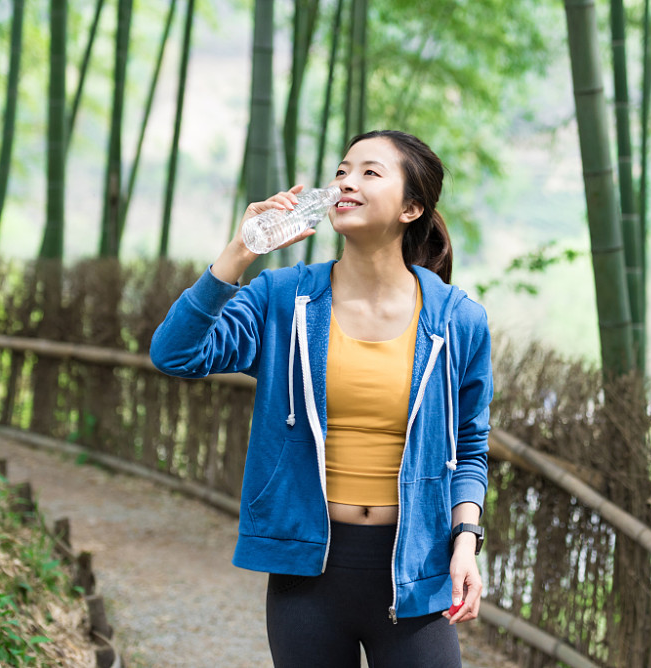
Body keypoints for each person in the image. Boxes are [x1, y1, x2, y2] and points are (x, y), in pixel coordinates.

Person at [150, 130, 493, 667]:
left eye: (369, 173)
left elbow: (469, 444)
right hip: (306, 568)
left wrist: (465, 540)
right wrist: (241, 252)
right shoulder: (282, 298)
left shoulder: (458, 319)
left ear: (411, 207)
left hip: (415, 566)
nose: (345, 182)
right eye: (341, 171)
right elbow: (177, 354)